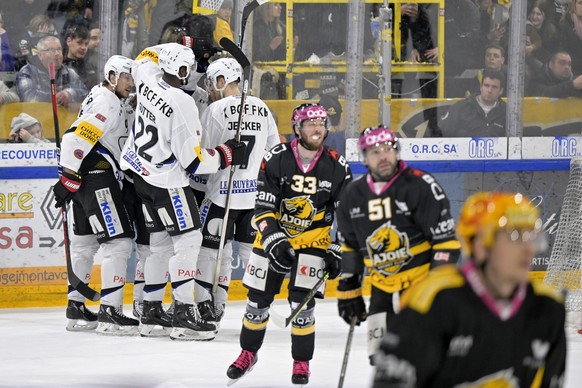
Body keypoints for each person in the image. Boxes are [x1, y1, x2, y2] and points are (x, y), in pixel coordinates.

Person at [373, 192, 567, 387]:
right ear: (481, 244)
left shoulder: (548, 308)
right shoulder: (435, 301)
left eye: (530, 236)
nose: (528, 249)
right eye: (515, 236)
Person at [119, 42, 246, 341]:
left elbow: (144, 55)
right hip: (167, 182)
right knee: (189, 240)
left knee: (161, 244)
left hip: (140, 175)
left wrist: (180, 45)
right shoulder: (182, 103)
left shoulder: (147, 75)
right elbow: (193, 162)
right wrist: (226, 154)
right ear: (184, 70)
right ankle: (184, 313)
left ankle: (150, 312)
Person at [226, 103, 352, 386]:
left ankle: (301, 362)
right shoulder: (276, 158)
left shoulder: (337, 165)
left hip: (314, 239)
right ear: (297, 128)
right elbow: (262, 207)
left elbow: (347, 214)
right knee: (256, 302)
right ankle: (248, 352)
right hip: (275, 236)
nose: (317, 128)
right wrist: (274, 240)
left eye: (321, 123)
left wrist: (337, 249)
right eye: (310, 123)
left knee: (302, 306)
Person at [335, 125, 461, 364]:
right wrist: (349, 288)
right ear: (365, 158)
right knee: (382, 361)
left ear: (397, 150)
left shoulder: (420, 185)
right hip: (381, 288)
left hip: (419, 286)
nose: (383, 156)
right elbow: (349, 245)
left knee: (422, 358)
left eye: (387, 149)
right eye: (374, 151)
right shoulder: (353, 194)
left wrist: (434, 290)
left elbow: (446, 244)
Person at [194, 57, 280, 335]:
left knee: (211, 253)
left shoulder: (215, 109)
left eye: (212, 82)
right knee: (251, 254)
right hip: (254, 198)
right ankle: (261, 305)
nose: (209, 89)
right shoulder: (263, 108)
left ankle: (208, 306)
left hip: (221, 196)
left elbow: (201, 154)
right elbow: (274, 153)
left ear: (222, 81)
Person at [53, 55, 139, 335]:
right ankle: (110, 311)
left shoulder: (104, 96)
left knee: (84, 245)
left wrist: (70, 179)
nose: (131, 82)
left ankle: (75, 305)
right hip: (97, 179)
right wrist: (68, 177)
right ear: (112, 76)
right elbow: (74, 138)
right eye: (127, 77)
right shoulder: (107, 102)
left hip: (86, 179)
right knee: (118, 243)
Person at [16, 35, 88, 110]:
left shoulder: (69, 72)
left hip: (65, 119)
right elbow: (29, 97)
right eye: (51, 50)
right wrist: (59, 98)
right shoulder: (28, 71)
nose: (57, 53)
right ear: (40, 55)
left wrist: (69, 93)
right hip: (37, 118)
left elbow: (86, 93)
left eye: (59, 49)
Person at [440, 69, 506, 137]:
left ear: (501, 91)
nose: (489, 90)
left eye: (494, 87)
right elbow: (441, 134)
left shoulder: (507, 113)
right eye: (486, 85)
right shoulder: (460, 108)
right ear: (481, 87)